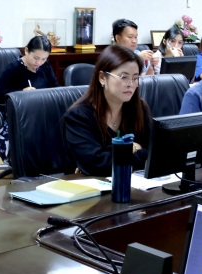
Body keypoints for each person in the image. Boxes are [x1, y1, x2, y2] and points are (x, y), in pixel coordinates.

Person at [63, 45, 152, 176]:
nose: (130, 84)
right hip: (86, 186)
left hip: (134, 184)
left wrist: (113, 153)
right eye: (124, 77)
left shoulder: (140, 108)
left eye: (135, 78)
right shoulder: (78, 116)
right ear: (102, 78)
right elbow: (97, 164)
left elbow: (156, 152)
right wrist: (133, 148)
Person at [0, 35, 59, 162]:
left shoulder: (45, 66)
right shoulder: (14, 68)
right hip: (20, 113)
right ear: (26, 50)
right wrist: (21, 92)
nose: (39, 63)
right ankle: (27, 163)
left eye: (44, 59)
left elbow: (55, 87)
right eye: (36, 58)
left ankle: (51, 163)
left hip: (43, 110)